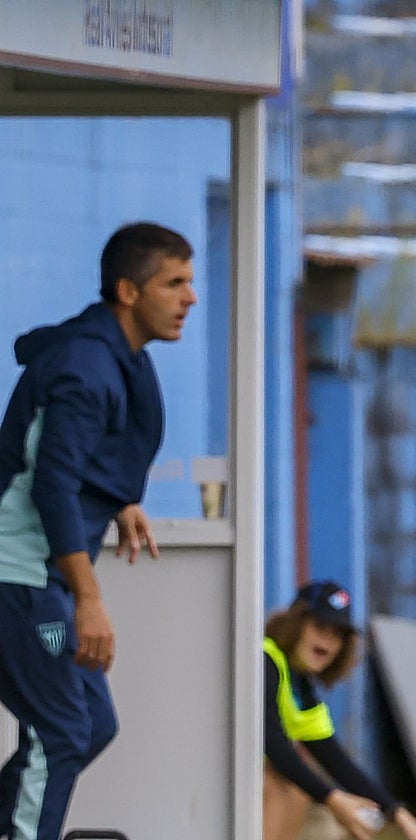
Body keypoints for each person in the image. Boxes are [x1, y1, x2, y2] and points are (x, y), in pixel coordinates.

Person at [0, 222, 196, 840]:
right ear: (128, 292)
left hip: (39, 576)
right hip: (18, 574)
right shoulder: (85, 366)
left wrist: (117, 503)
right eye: (175, 283)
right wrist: (88, 600)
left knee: (89, 721)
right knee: (61, 733)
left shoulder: (115, 355)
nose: (190, 298)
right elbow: (50, 484)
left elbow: (74, 462)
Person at [263, 579, 416, 840]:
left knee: (300, 789)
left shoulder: (301, 686)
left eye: (338, 635)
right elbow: (274, 746)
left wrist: (401, 816)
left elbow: (336, 762)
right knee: (280, 783)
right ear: (296, 624)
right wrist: (335, 800)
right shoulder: (265, 660)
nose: (328, 640)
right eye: (320, 626)